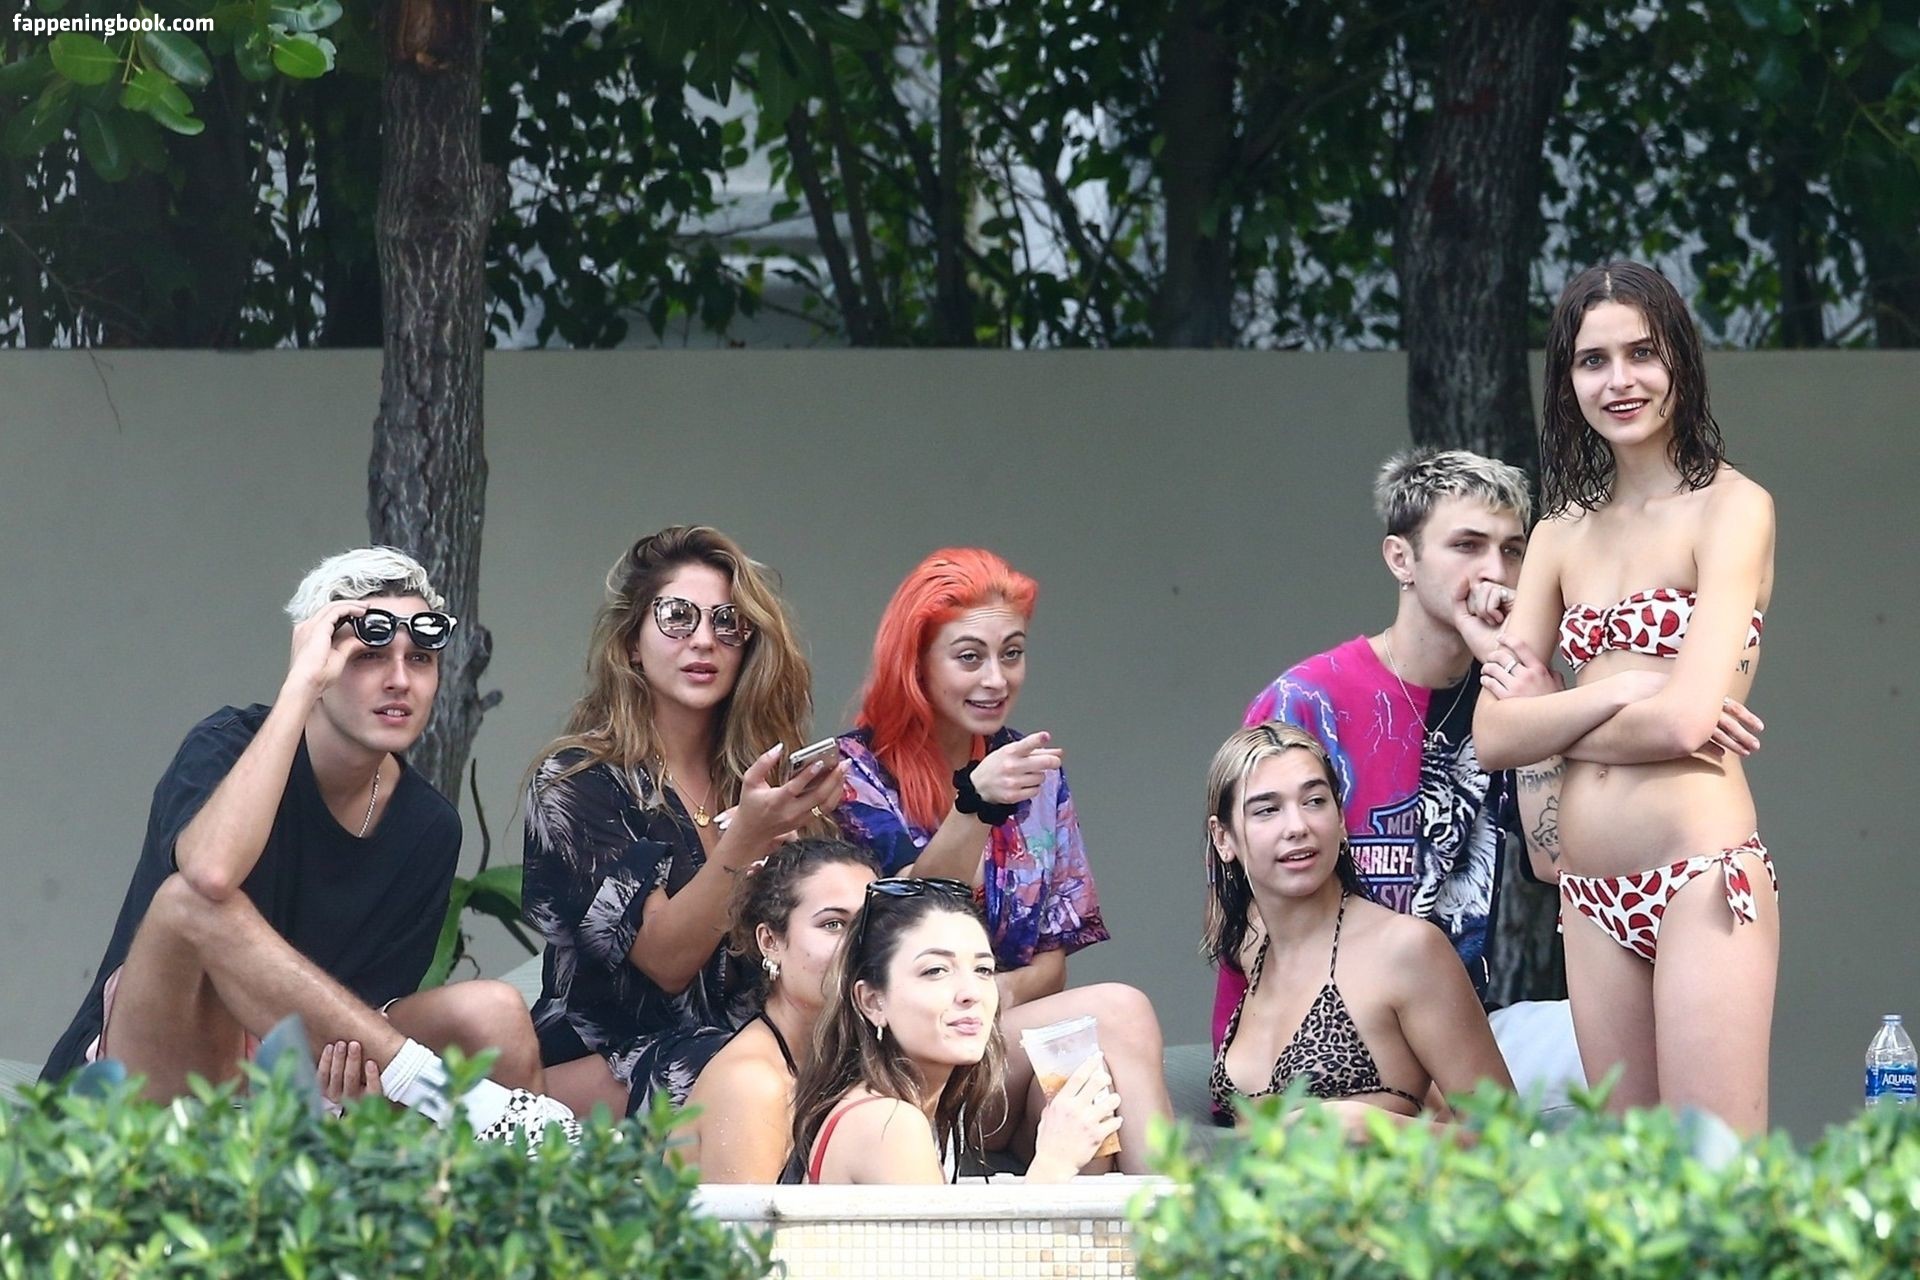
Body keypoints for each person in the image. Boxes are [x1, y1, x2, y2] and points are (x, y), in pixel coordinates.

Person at [43, 547, 575, 1142]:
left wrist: (358, 1078)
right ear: (317, 661)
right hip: (141, 1079)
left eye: (420, 660)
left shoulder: (428, 826)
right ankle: (447, 1094)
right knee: (189, 903)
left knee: (494, 1012)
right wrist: (299, 688)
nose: (400, 680)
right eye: (368, 656)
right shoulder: (225, 746)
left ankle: (526, 1174)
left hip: (298, 1084)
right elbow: (211, 873)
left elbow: (359, 1021)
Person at [1474, 261, 1776, 1135]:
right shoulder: (1561, 532)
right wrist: (1631, 691)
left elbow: (1686, 723)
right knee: (1631, 1178)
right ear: (1568, 381)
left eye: (1642, 353)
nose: (1620, 380)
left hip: (1700, 876)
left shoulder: (1733, 509)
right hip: (1590, 895)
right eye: (1592, 360)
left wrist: (1554, 714)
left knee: (1712, 1172)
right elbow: (1492, 736)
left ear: (1679, 357)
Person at [1227, 448, 1577, 1104]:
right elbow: (1241, 912)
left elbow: (1559, 860)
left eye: (1511, 550)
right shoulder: (1309, 699)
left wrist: (1524, 692)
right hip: (1320, 1049)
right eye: (1467, 546)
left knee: (1622, 1045)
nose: (1495, 571)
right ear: (1401, 559)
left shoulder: (1510, 695)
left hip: (1460, 1036)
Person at [832, 548, 1171, 1173]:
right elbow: (895, 931)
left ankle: (1130, 1231)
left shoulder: (1033, 771)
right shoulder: (851, 777)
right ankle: (1183, 1221)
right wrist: (976, 805)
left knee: (1081, 1098)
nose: (996, 679)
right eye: (969, 657)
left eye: (1011, 653)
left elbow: (1052, 959)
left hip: (991, 1050)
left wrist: (989, 995)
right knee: (1120, 1011)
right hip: (889, 1058)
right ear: (915, 662)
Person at [522, 526, 850, 1118]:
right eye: (677, 617)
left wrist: (804, 868)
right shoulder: (577, 781)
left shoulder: (764, 781)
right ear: (631, 643)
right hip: (606, 1069)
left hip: (752, 1053)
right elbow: (665, 961)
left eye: (728, 623)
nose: (704, 640)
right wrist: (746, 842)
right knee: (751, 1074)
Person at [1204, 723, 1512, 1133]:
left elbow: (1508, 1139)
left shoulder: (1405, 948)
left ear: (1341, 819)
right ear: (1223, 838)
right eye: (1267, 810)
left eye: (1315, 801)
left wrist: (1369, 1124)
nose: (1297, 826)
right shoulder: (1252, 944)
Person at [791, 877, 1121, 1183]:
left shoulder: (916, 1113)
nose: (971, 992)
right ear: (872, 1002)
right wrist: (1053, 1164)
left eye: (983, 970)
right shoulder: (888, 1122)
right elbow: (945, 1234)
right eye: (936, 970)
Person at [677, 838, 879, 1183]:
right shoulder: (751, 1084)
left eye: (868, 926)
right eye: (833, 924)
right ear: (770, 942)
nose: (857, 947)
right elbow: (744, 1220)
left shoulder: (849, 1057)